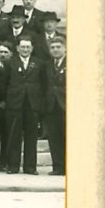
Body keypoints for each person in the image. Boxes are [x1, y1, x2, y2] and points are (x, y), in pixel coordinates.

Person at [2, 36, 47, 174]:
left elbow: (44, 84)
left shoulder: (39, 63)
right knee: (14, 136)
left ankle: (30, 168)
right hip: (15, 104)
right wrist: (7, 100)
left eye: (28, 47)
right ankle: (13, 166)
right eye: (23, 47)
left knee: (31, 137)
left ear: (32, 48)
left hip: (32, 104)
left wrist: (39, 104)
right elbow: (4, 83)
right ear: (17, 48)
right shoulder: (10, 63)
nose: (25, 49)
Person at [44, 36, 68, 176]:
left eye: (58, 47)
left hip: (67, 106)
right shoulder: (47, 65)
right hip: (51, 106)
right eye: (52, 47)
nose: (55, 50)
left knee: (68, 137)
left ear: (65, 48)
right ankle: (57, 167)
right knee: (54, 137)